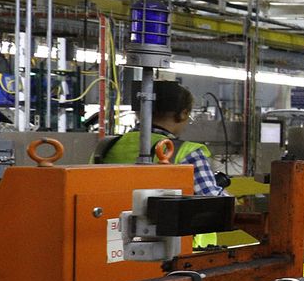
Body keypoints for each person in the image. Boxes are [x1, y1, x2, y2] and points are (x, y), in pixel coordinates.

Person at [96, 79, 225, 199]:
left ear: (138, 111)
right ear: (183, 114)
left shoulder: (106, 146)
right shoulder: (188, 152)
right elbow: (212, 200)